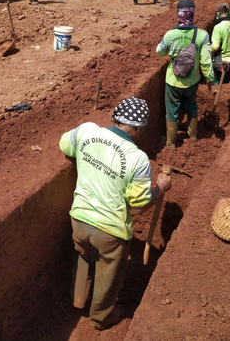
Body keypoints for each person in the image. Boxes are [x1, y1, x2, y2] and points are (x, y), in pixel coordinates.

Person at [60, 97, 172, 330]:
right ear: (140, 128)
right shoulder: (137, 158)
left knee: (82, 255)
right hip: (110, 230)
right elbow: (138, 206)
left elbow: (64, 145)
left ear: (115, 117)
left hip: (79, 219)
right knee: (108, 275)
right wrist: (160, 187)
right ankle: (102, 317)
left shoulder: (87, 131)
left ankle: (78, 300)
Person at [156, 0, 215, 147]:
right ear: (192, 14)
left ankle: (170, 143)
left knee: (172, 111)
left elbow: (160, 51)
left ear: (179, 15)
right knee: (191, 106)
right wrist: (209, 79)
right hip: (192, 81)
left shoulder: (170, 34)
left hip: (173, 81)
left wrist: (172, 50)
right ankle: (193, 135)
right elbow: (206, 60)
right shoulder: (202, 35)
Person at [211, 3, 230, 86]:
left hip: (220, 61)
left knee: (215, 83)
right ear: (229, 13)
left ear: (218, 14)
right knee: (225, 85)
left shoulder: (218, 27)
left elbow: (215, 47)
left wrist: (207, 49)